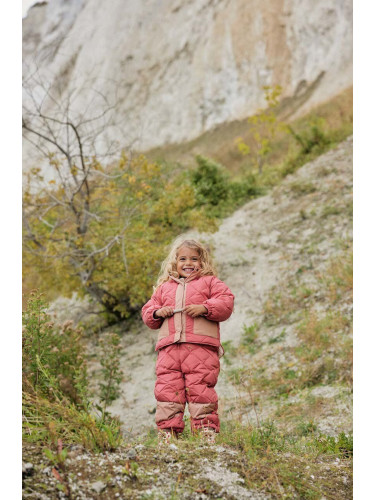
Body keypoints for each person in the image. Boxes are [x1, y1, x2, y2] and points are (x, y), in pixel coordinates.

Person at [142, 238, 234, 445]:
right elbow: (147, 312)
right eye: (182, 259)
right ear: (174, 262)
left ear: (203, 262)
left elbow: (226, 302)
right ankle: (168, 434)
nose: (188, 263)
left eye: (194, 259)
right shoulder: (164, 288)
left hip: (201, 349)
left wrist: (205, 308)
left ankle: (205, 433)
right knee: (167, 392)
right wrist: (158, 312)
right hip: (169, 351)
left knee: (201, 390)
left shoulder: (210, 282)